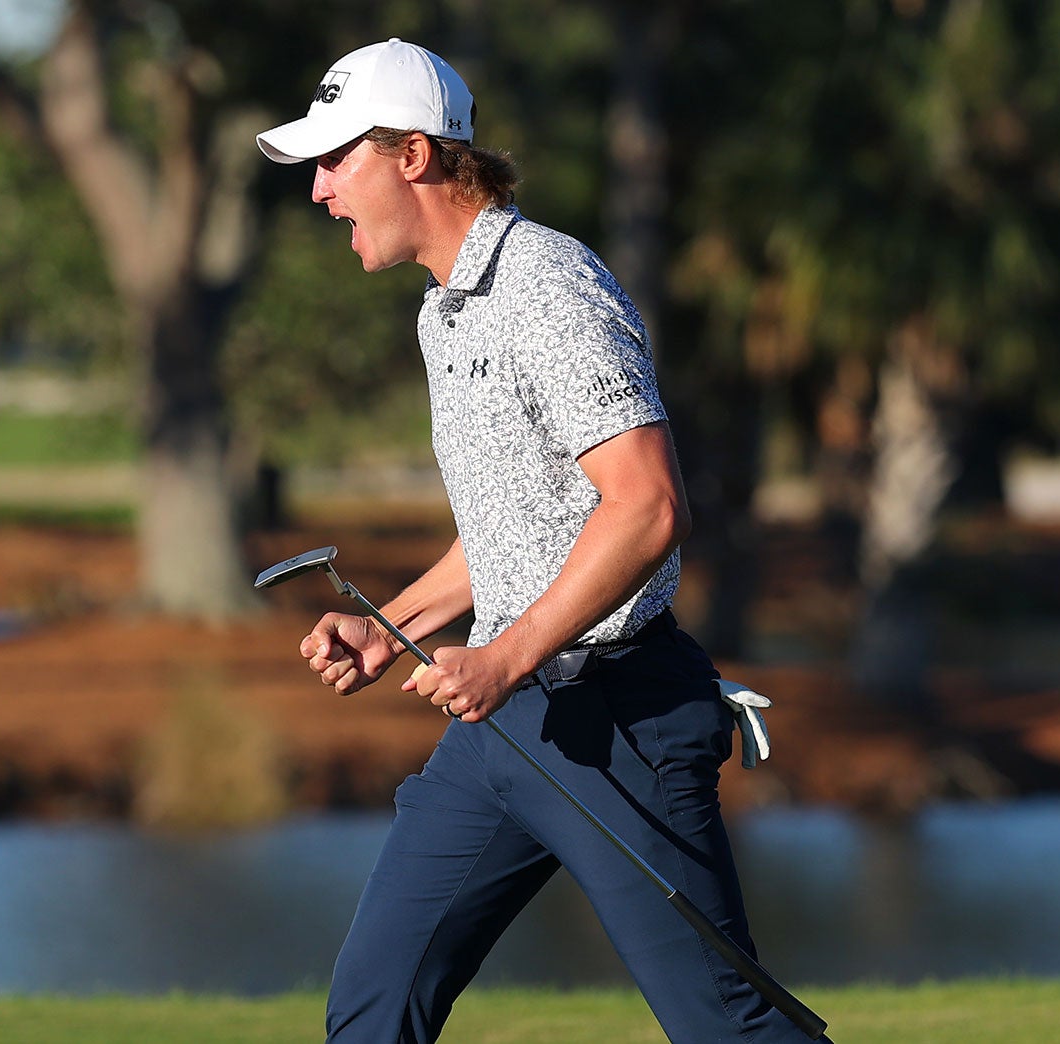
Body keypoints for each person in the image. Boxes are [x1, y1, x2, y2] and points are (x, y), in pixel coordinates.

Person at [256, 37, 806, 1044]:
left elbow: (643, 508)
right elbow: (517, 522)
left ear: (412, 156)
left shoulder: (547, 288)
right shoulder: (445, 313)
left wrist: (506, 653)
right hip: (505, 732)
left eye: (336, 161)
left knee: (725, 1025)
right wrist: (395, 627)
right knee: (373, 1011)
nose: (319, 190)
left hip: (619, 722)